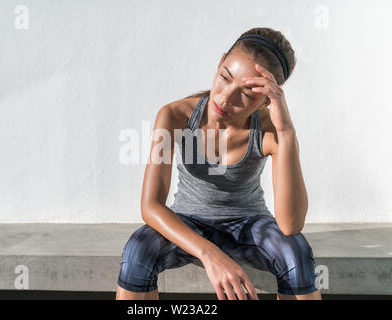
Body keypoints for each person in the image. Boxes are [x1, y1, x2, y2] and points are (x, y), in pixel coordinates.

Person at [116, 27, 322, 300]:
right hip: (189, 221)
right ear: (220, 61)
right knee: (137, 250)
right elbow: (150, 206)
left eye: (247, 94)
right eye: (225, 77)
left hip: (248, 225)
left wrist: (286, 134)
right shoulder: (174, 116)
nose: (225, 98)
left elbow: (290, 225)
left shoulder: (272, 131)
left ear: (266, 98)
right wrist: (210, 254)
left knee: (295, 250)